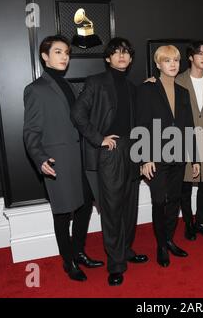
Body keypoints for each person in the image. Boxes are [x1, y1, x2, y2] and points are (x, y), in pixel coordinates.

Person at [23, 35, 103, 282]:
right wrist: (40, 158)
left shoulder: (69, 86)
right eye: (58, 52)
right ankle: (68, 262)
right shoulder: (35, 89)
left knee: (83, 209)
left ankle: (79, 252)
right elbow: (31, 131)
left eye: (66, 52)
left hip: (80, 159)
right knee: (62, 214)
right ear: (45, 56)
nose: (64, 57)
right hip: (57, 162)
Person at [71, 37, 148, 286]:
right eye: (116, 52)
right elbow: (77, 113)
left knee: (129, 207)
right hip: (110, 152)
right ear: (108, 58)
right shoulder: (96, 82)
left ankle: (125, 250)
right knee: (113, 209)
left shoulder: (132, 87)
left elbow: (137, 124)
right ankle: (116, 264)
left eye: (126, 52)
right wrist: (98, 138)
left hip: (131, 150)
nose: (122, 56)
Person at [136, 45, 200, 267]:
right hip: (155, 157)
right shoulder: (147, 90)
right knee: (159, 202)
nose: (173, 64)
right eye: (167, 60)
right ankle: (161, 246)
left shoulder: (183, 91)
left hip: (179, 155)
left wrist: (195, 159)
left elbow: (189, 126)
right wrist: (144, 158)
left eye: (175, 60)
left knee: (174, 200)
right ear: (158, 64)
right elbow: (141, 124)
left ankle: (170, 240)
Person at [176, 41, 203, 241]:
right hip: (185, 139)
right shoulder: (178, 81)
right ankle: (188, 223)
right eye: (199, 53)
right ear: (191, 57)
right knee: (185, 186)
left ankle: (202, 222)